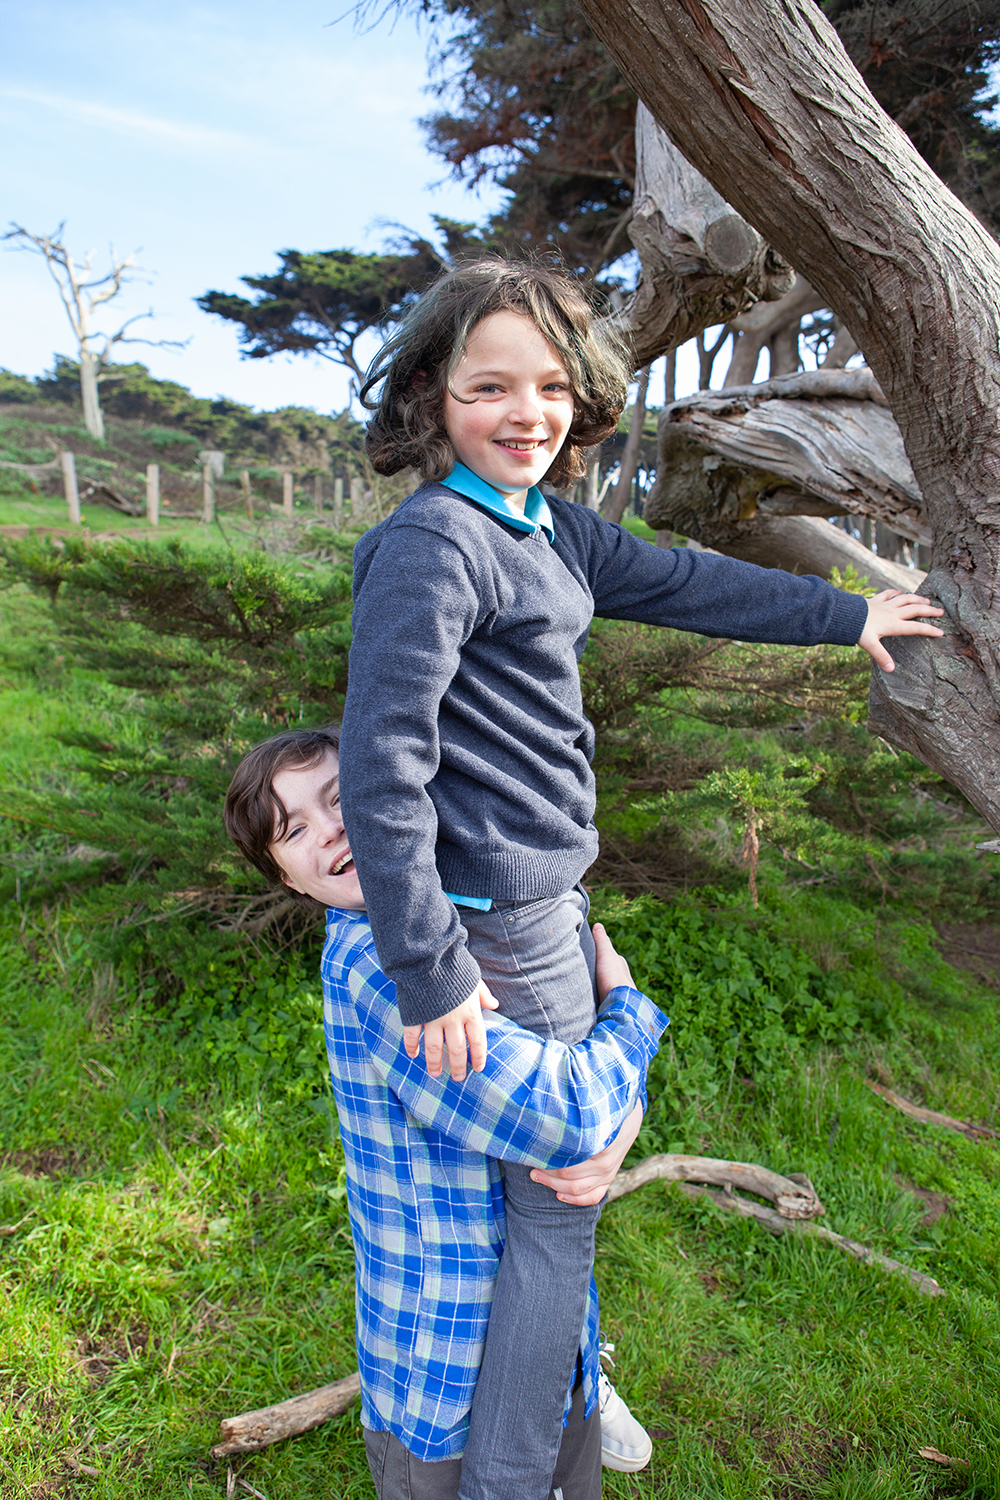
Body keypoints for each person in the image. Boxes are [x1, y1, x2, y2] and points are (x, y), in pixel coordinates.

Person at [337, 258, 946, 1500]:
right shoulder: (433, 545)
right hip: (491, 929)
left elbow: (684, 582)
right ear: (430, 399)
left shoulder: (545, 528)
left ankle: (555, 1406)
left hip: (543, 908)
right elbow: (381, 769)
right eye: (490, 385)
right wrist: (428, 968)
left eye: (552, 385)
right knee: (565, 1196)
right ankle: (514, 1477)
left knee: (540, 1202)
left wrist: (848, 615)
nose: (527, 412)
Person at [223, 726, 669, 1500]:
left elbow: (574, 1101)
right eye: (293, 831)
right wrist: (627, 1007)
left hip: (543, 1332)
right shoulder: (387, 970)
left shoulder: (440, 923)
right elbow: (570, 1110)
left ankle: (589, 1391)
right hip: (452, 1377)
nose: (329, 831)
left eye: (339, 799)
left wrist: (617, 1133)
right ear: (286, 879)